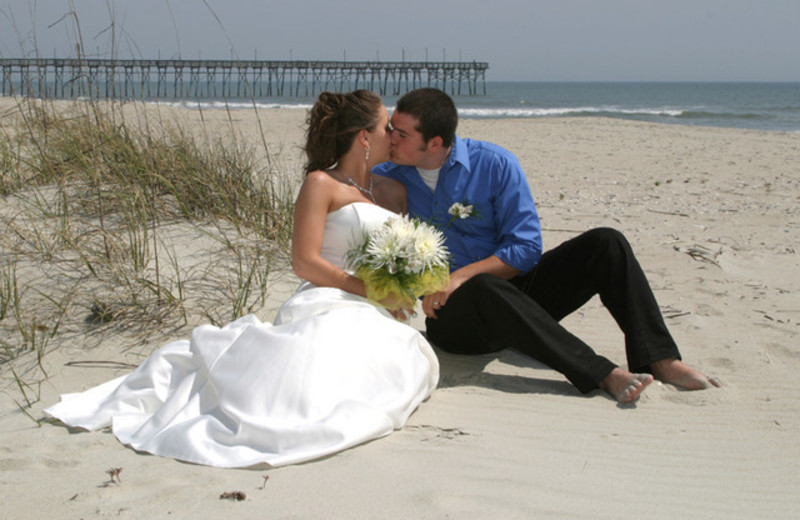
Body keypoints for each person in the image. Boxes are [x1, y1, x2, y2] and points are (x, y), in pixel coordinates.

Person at [44, 90, 438, 468]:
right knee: (311, 366)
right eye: (388, 126)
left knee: (396, 364)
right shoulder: (321, 183)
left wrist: (398, 291)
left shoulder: (394, 191)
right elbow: (304, 262)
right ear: (364, 137)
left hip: (380, 305)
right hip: (329, 295)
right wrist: (368, 290)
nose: (395, 136)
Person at [373, 87, 718, 403]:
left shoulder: (494, 164)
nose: (391, 139)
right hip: (455, 319)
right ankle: (600, 373)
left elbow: (526, 247)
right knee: (481, 285)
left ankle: (660, 359)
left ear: (435, 143)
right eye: (391, 129)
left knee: (606, 243)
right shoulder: (388, 177)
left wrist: (460, 275)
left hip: (516, 294)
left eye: (401, 134)